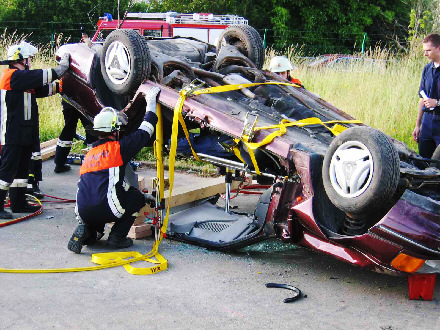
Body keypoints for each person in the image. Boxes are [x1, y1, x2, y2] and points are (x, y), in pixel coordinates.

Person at [67, 87, 160, 253]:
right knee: (135, 199)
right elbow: (147, 129)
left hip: (83, 211)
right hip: (107, 207)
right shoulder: (119, 148)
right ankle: (117, 237)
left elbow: (108, 182)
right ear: (116, 130)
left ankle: (87, 232)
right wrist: (151, 101)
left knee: (98, 217)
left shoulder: (90, 154)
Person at [0, 41, 70, 219]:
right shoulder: (12, 76)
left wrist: (64, 84)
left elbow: (43, 89)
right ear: (20, 59)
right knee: (7, 170)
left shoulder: (23, 80)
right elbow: (42, 76)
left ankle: (19, 204)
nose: (30, 62)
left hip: (24, 133)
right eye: (29, 59)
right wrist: (62, 67)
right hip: (12, 133)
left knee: (22, 170)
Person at [413, 33, 440, 158]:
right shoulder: (427, 69)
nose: (425, 54)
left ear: (439, 48)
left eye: (428, 50)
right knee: (423, 162)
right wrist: (418, 125)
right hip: (427, 123)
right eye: (424, 51)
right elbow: (422, 99)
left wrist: (437, 103)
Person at [53, 100, 97, 173]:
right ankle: (94, 164)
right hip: (85, 102)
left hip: (69, 101)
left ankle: (59, 164)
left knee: (67, 131)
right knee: (91, 131)